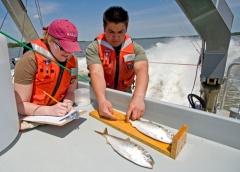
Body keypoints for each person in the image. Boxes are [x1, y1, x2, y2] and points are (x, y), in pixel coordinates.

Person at [86, 6, 149, 122]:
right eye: (111, 32)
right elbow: (97, 73)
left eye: (120, 32)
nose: (116, 37)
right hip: (100, 92)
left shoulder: (136, 49)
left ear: (127, 28)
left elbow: (142, 71)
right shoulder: (93, 48)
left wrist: (139, 98)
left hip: (125, 92)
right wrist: (102, 100)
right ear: (104, 28)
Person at [14, 19, 81, 117]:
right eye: (63, 47)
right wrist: (49, 111)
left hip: (58, 114)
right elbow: (20, 104)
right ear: (50, 40)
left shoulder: (73, 61)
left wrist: (67, 104)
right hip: (32, 115)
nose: (68, 52)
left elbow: (71, 91)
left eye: (71, 47)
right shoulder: (29, 59)